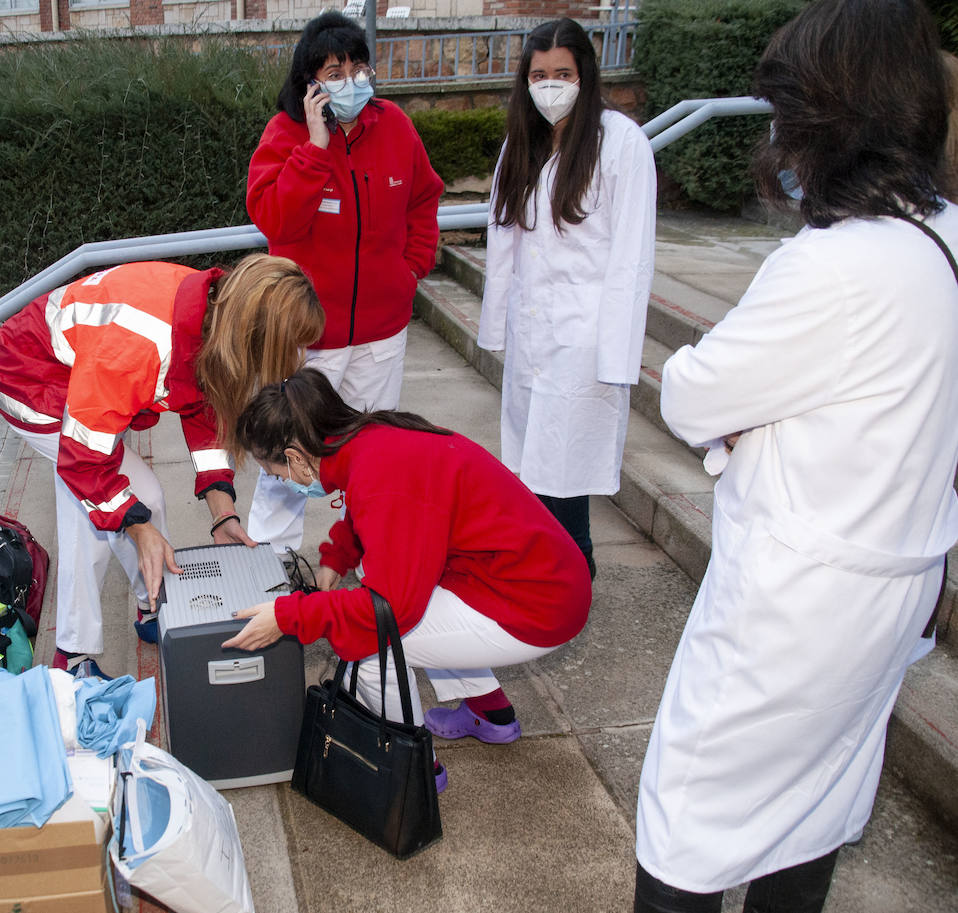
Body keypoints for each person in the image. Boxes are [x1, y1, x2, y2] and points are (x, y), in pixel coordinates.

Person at [633, 1, 958, 910]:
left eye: (788, 114)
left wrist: (738, 408)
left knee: (690, 811)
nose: (776, 138)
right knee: (815, 800)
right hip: (891, 586)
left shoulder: (836, 266)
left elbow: (695, 392)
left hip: (799, 605)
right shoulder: (943, 234)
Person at [221, 368, 590, 789]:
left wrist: (289, 615)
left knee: (369, 647)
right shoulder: (372, 438)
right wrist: (337, 556)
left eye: (275, 473)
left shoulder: (382, 476)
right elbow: (375, 515)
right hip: (531, 575)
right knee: (391, 592)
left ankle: (415, 772)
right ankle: (491, 712)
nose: (279, 482)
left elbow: (390, 610)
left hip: (537, 603)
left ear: (295, 457)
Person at [0, 255, 324, 678]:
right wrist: (136, 526)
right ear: (257, 335)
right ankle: (72, 654)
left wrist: (223, 513)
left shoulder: (213, 311)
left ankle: (153, 605)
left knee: (131, 501)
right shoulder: (141, 342)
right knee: (104, 507)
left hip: (89, 378)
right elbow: (83, 462)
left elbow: (204, 409)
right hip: (34, 383)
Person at [245, 11, 445, 555]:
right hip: (308, 338)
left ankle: (366, 563)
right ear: (308, 81)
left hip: (381, 333)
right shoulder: (284, 134)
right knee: (289, 459)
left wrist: (411, 269)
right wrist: (313, 147)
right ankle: (272, 571)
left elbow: (425, 198)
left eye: (357, 67)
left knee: (375, 454)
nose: (350, 81)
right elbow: (275, 220)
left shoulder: (395, 126)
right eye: (334, 71)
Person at [477, 18, 656, 578]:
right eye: (539, 74)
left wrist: (617, 357)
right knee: (532, 467)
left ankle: (575, 574)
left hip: (584, 340)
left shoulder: (620, 142)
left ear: (586, 76)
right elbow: (502, 240)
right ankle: (542, 576)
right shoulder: (521, 144)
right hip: (532, 333)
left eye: (563, 73)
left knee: (566, 474)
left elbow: (631, 257)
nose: (550, 84)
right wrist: (494, 329)